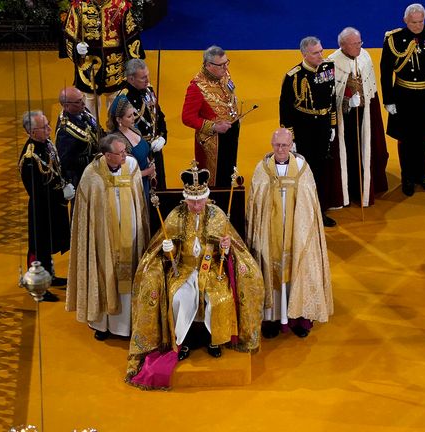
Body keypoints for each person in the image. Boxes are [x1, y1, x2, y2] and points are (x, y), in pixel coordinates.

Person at [127, 162, 264, 390]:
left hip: (212, 271)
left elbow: (233, 248)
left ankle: (214, 341)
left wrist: (226, 248)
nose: (197, 206)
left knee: (219, 299)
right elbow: (160, 248)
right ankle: (185, 341)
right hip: (183, 270)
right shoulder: (176, 215)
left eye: (200, 200)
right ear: (186, 199)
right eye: (192, 201)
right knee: (180, 298)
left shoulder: (218, 214)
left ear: (207, 198)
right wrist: (168, 248)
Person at [246, 128, 334, 339]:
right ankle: (271, 319)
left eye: (285, 145)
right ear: (271, 145)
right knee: (270, 268)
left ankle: (298, 318)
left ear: (292, 145)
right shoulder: (262, 169)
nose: (281, 149)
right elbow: (255, 204)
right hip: (270, 234)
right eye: (277, 145)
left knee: (298, 267)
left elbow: (310, 202)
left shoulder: (302, 168)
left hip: (297, 232)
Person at [66, 134, 149, 340]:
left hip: (130, 236)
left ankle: (127, 325)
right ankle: (102, 325)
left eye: (124, 151)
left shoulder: (131, 166)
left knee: (128, 277)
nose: (124, 155)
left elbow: (139, 200)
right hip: (103, 238)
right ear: (106, 155)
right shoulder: (92, 175)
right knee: (104, 273)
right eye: (119, 153)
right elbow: (86, 214)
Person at [380, 3, 425, 197]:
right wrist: (388, 100)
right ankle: (407, 177)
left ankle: (421, 175)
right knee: (406, 138)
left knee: (424, 136)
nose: (418, 26)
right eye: (413, 22)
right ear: (405, 20)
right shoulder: (393, 39)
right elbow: (386, 72)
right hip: (404, 95)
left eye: (421, 21)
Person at [279, 36, 341, 227]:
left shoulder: (328, 68)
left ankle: (319, 210)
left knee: (322, 170)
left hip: (322, 127)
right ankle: (302, 211)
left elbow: (331, 98)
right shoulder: (293, 77)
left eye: (321, 51)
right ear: (304, 54)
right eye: (316, 53)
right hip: (304, 129)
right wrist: (291, 137)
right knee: (305, 172)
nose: (321, 55)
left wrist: (332, 125)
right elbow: (285, 109)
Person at [330, 27, 389, 207]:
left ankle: (367, 186)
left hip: (365, 114)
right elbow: (333, 95)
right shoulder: (333, 62)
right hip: (345, 120)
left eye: (359, 42)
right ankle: (349, 192)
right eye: (354, 44)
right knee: (349, 155)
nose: (359, 47)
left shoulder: (365, 56)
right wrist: (347, 101)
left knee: (367, 150)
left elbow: (371, 87)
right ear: (343, 45)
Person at [60, 0, 144, 124]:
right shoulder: (78, 6)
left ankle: (116, 132)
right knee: (89, 99)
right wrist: (76, 48)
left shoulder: (120, 5)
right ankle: (91, 131)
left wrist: (135, 66)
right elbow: (69, 32)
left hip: (115, 65)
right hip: (88, 65)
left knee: (115, 99)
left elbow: (131, 35)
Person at [19, 111, 72, 302]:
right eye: (44, 127)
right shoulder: (30, 158)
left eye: (48, 124)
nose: (50, 129)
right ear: (32, 132)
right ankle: (38, 286)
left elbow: (57, 167)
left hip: (55, 206)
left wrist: (66, 182)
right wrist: (61, 193)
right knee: (39, 247)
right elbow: (37, 191)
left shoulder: (47, 144)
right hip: (41, 209)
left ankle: (49, 275)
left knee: (49, 244)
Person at [182, 45, 240, 187]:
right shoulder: (196, 87)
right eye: (221, 65)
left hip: (230, 134)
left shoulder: (223, 73)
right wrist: (213, 126)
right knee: (215, 181)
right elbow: (187, 117)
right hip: (212, 142)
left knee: (228, 174)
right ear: (208, 65)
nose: (225, 68)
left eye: (227, 63)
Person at [118, 58, 168, 189]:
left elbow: (159, 116)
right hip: (138, 153)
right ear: (131, 79)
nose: (147, 80)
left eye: (147, 76)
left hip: (156, 148)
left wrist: (163, 137)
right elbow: (122, 130)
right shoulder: (123, 98)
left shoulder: (148, 90)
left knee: (160, 187)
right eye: (143, 78)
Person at [108, 95, 156, 199]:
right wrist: (148, 172)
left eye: (133, 114)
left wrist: (150, 166)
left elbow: (144, 152)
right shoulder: (117, 141)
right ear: (119, 119)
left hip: (144, 181)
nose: (133, 118)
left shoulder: (134, 128)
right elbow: (121, 175)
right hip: (131, 189)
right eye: (129, 116)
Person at [55, 86, 101, 192]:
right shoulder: (65, 131)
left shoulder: (81, 111)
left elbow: (96, 129)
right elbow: (66, 162)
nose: (84, 104)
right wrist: (93, 158)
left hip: (93, 171)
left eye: (82, 99)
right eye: (79, 101)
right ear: (66, 106)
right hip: (80, 177)